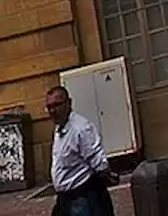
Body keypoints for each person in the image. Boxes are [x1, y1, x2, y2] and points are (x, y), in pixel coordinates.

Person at [47, 85, 117, 216]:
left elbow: (99, 163)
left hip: (82, 198)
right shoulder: (59, 128)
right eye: (49, 107)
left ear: (69, 103)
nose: (52, 110)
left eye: (57, 105)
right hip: (65, 199)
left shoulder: (80, 129)